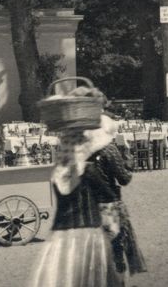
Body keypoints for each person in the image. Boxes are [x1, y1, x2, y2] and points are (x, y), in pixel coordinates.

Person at [29, 93, 127, 287]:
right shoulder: (89, 171)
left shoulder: (58, 173)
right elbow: (108, 196)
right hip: (88, 232)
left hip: (61, 236)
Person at [88, 116, 146, 277]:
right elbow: (124, 178)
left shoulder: (83, 150)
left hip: (88, 208)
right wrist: (129, 163)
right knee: (116, 250)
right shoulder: (109, 150)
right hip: (109, 205)